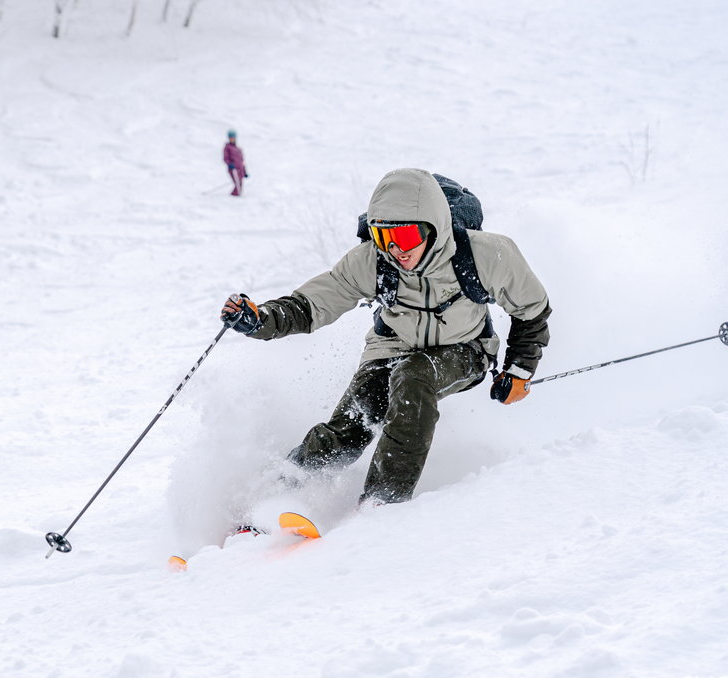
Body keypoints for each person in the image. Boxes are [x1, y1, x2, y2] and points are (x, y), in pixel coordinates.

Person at [219, 168, 551, 506]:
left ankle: (383, 503)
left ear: (434, 228)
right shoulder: (374, 261)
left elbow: (532, 309)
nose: (396, 250)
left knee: (414, 375)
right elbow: (314, 303)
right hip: (391, 346)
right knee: (352, 426)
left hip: (465, 348)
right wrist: (261, 319)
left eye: (406, 238)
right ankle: (273, 496)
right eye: (384, 238)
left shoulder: (487, 255)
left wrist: (518, 371)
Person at [222, 130, 248, 197]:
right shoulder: (227, 147)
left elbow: (242, 161)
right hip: (233, 168)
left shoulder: (238, 149)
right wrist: (229, 164)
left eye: (233, 138)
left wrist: (244, 171)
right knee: (237, 183)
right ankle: (234, 197)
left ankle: (235, 197)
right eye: (230, 138)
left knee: (240, 183)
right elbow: (225, 158)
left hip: (240, 169)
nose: (232, 139)